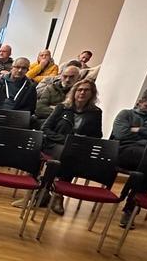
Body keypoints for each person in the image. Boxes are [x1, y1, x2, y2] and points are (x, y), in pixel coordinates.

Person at [29, 78, 103, 214]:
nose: (82, 93)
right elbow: (45, 128)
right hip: (54, 143)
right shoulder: (62, 107)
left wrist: (82, 140)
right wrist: (66, 140)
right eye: (80, 90)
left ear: (92, 94)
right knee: (66, 152)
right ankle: (57, 192)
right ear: (74, 92)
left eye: (86, 90)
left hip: (78, 147)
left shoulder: (95, 113)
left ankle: (47, 187)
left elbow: (97, 136)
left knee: (72, 154)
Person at [0, 56, 37, 139]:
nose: (20, 70)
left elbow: (30, 108)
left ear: (27, 70)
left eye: (24, 68)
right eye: (17, 67)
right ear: (12, 67)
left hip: (16, 120)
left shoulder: (30, 87)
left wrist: (16, 116)